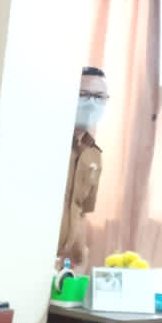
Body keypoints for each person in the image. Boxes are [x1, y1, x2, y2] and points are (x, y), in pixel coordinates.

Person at [59, 66, 107, 268]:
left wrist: (80, 257)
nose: (91, 103)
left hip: (63, 266)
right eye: (83, 95)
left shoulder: (93, 154)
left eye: (99, 97)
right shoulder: (49, 146)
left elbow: (81, 211)